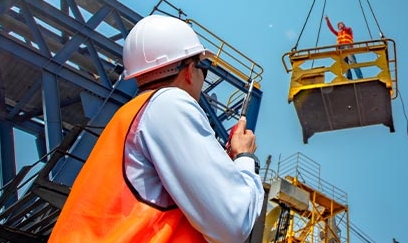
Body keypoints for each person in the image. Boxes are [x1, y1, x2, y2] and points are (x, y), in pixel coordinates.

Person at [49, 15, 264, 243]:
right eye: (204, 69)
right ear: (190, 70)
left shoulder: (131, 115)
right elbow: (235, 222)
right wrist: (244, 157)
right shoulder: (170, 104)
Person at [325, 15, 363, 80]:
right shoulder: (338, 33)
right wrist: (328, 21)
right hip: (341, 49)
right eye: (338, 26)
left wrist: (343, 27)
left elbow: (348, 29)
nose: (339, 26)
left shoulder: (348, 30)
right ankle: (349, 79)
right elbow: (332, 29)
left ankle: (360, 77)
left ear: (344, 25)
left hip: (347, 46)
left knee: (352, 61)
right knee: (344, 65)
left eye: (341, 25)